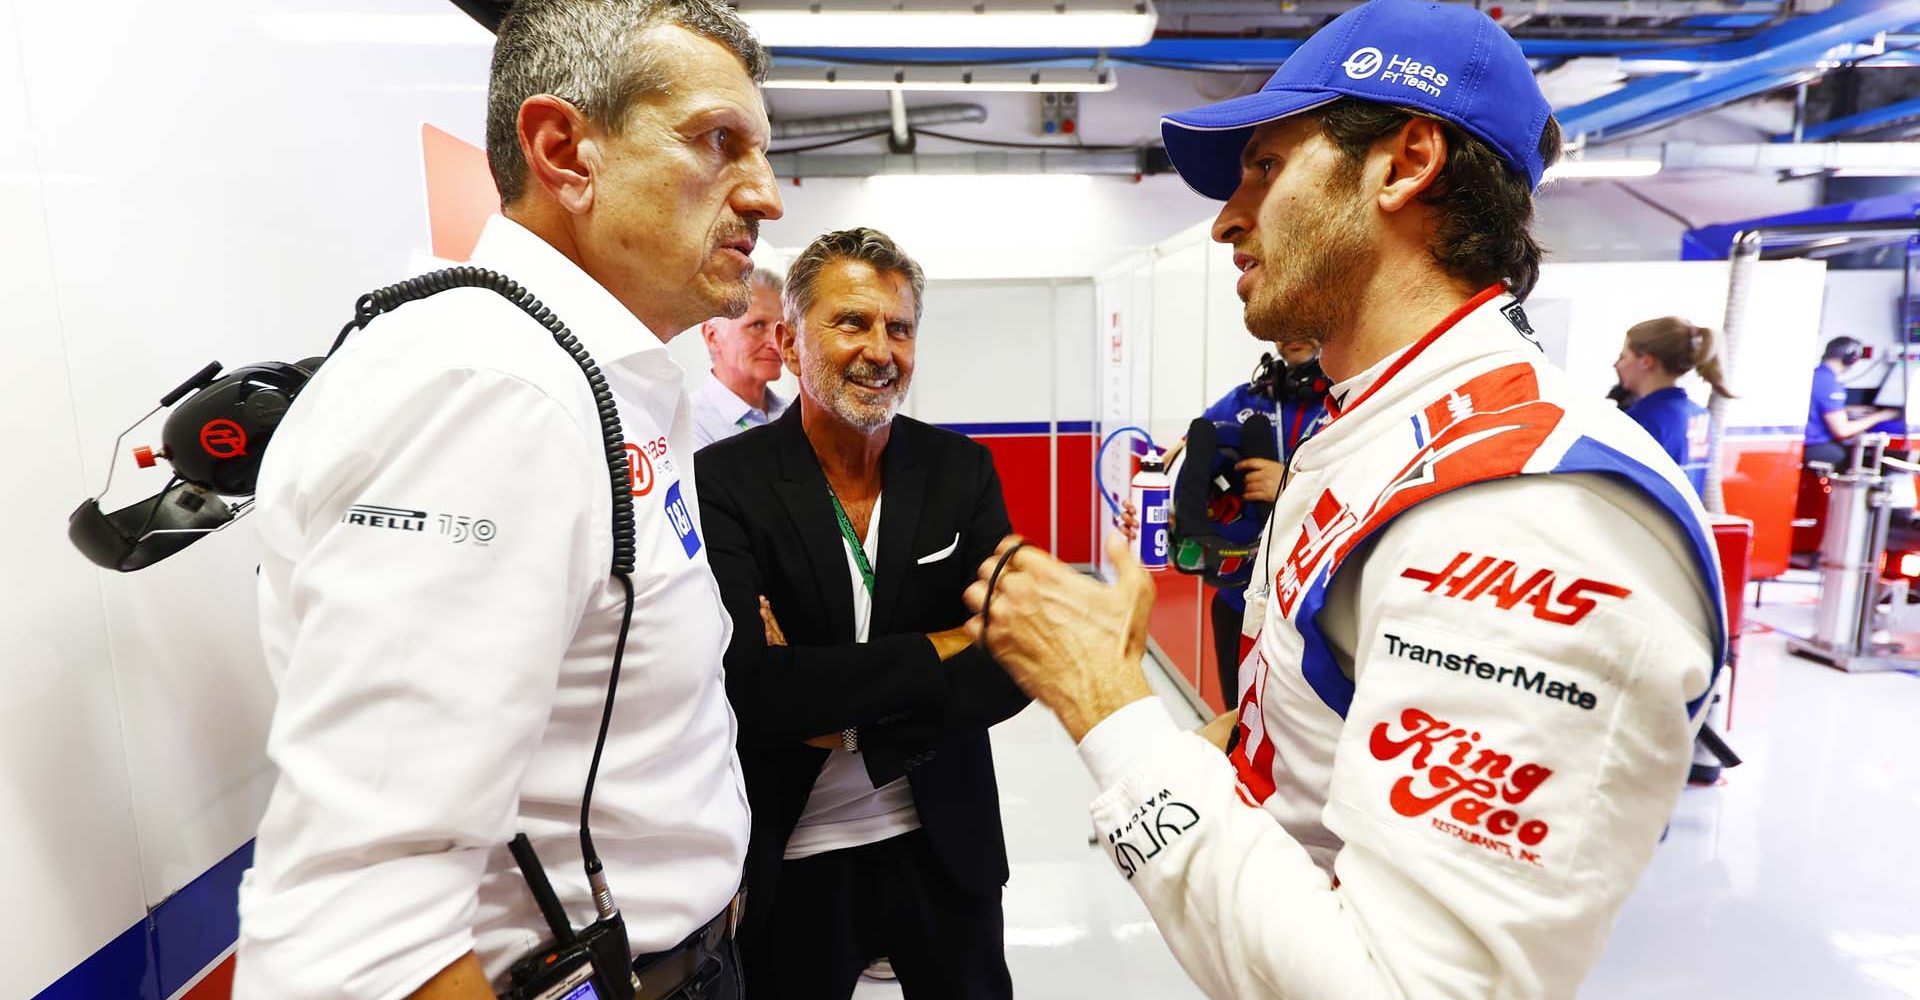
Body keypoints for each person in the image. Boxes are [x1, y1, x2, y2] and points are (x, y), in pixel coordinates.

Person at [960, 1, 1727, 997]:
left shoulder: (1531, 514)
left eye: (1267, 168)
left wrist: (1108, 703)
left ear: (1406, 163)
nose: (1229, 219)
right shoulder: (1380, 431)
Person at [234, 2, 781, 997]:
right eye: (717, 141)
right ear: (566, 153)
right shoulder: (492, 395)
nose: (767, 195)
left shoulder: (600, 374)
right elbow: (362, 925)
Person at [696, 227, 1027, 1000]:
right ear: (789, 338)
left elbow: (1012, 662)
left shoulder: (959, 471)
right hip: (795, 851)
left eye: (900, 327)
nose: (881, 349)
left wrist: (836, 711)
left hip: (945, 839)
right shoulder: (726, 482)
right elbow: (751, 687)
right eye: (852, 322)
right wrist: (948, 641)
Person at [1614, 316, 1733, 497]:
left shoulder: (1642, 420)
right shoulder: (1700, 416)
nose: (1617, 365)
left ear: (1646, 361)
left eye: (1623, 356)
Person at [692, 267, 792, 448]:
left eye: (781, 329)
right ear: (712, 336)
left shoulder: (792, 413)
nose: (777, 343)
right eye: (758, 325)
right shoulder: (688, 424)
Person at [1806, 335, 1901, 468]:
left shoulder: (1816, 375)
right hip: (1814, 446)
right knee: (1853, 454)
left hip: (1805, 444)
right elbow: (1842, 431)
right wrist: (1881, 416)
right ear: (1852, 358)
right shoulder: (1830, 383)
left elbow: (1816, 406)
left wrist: (1848, 409)